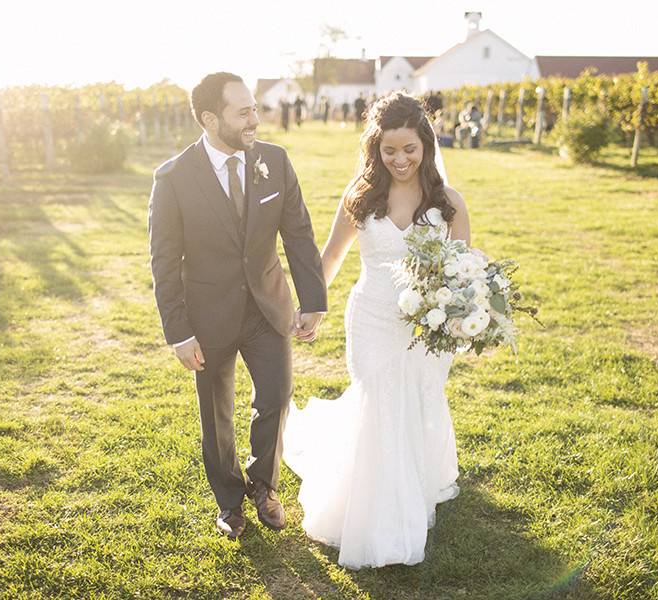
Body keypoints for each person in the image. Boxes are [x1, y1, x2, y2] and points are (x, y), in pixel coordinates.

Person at [282, 91, 470, 569]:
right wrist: (309, 307)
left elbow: (463, 271)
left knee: (416, 401)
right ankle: (376, 512)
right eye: (389, 150)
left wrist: (460, 316)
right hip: (370, 317)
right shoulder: (361, 196)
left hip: (426, 326)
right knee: (379, 401)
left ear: (426, 144)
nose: (401, 159)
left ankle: (411, 487)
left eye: (410, 149)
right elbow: (330, 258)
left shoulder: (448, 203)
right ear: (375, 148)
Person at [148, 72, 327, 540]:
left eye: (255, 108)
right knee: (217, 413)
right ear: (210, 119)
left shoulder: (275, 160)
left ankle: (264, 485)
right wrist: (178, 331)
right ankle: (230, 502)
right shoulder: (173, 179)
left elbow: (299, 234)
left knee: (276, 397)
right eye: (243, 111)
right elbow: (164, 263)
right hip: (208, 316)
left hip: (269, 305)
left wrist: (313, 300)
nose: (255, 118)